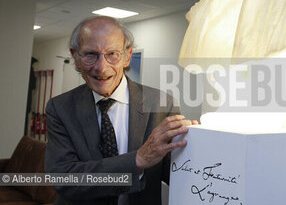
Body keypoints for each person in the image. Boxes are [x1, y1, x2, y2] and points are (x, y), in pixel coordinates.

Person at [45, 16, 197, 205]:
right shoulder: (60, 108)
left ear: (127, 56)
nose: (101, 67)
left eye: (112, 54)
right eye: (91, 54)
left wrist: (200, 145)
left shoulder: (161, 104)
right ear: (75, 57)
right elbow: (63, 178)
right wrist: (137, 160)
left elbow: (177, 172)